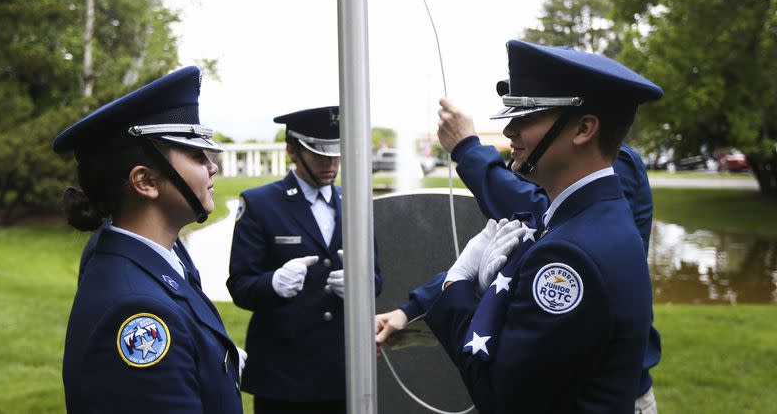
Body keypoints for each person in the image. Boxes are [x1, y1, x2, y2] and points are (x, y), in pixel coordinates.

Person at [376, 82, 660, 412]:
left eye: (529, 116)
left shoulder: (588, 208)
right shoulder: (580, 199)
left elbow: (503, 399)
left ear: (584, 128)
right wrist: (414, 308)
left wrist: (458, 282)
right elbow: (512, 250)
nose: (509, 130)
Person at [54, 66, 245, 413]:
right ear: (145, 182)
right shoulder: (139, 311)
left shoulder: (151, 256)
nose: (212, 167)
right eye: (196, 155)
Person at [227, 106, 382, 414]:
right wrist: (272, 284)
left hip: (343, 370)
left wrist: (360, 285)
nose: (331, 163)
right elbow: (241, 286)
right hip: (285, 377)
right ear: (292, 151)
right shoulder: (259, 204)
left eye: (336, 154)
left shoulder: (354, 201)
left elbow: (376, 279)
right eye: (319, 154)